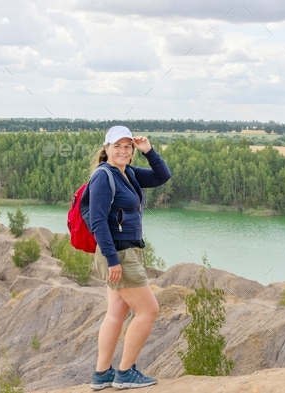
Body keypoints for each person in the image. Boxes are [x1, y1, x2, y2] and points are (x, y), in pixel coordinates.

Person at [89, 125, 171, 390]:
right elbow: (98, 220)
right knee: (149, 310)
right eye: (117, 146)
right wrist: (113, 260)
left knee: (116, 312)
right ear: (107, 148)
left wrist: (149, 151)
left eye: (128, 147)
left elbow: (162, 176)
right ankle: (124, 373)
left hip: (127, 250)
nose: (123, 151)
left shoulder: (129, 173)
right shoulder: (104, 176)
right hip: (119, 254)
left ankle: (102, 375)